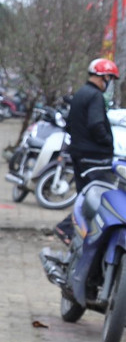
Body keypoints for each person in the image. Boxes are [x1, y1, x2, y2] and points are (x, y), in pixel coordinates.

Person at [54, 59, 121, 242]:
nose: (110, 83)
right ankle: (67, 228)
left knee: (84, 193)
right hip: (93, 157)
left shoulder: (81, 94)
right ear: (104, 77)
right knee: (97, 195)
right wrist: (106, 142)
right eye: (110, 79)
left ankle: (71, 231)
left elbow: (70, 125)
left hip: (79, 153)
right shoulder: (95, 96)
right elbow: (96, 124)